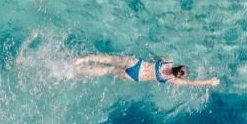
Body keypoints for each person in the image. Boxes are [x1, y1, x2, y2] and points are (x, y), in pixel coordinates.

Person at [73, 54, 220, 87]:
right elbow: (191, 83)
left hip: (137, 64)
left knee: (109, 59)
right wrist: (209, 82)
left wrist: (154, 59)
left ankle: (82, 60)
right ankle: (78, 70)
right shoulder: (172, 80)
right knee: (108, 70)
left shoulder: (168, 60)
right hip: (135, 76)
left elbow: (156, 57)